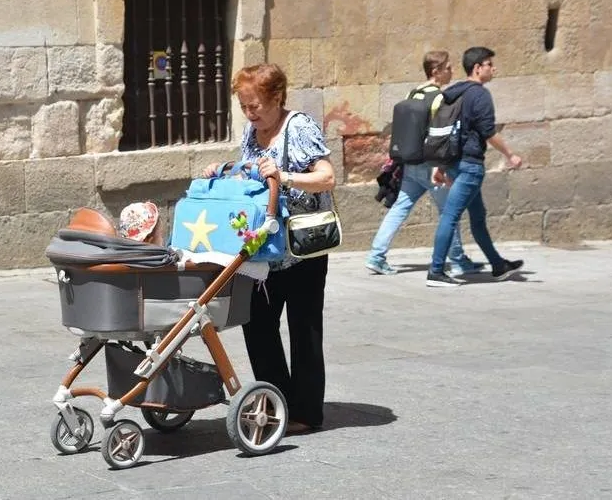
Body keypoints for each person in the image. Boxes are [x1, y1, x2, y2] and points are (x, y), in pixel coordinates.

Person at [202, 63, 335, 434]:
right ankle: (277, 403)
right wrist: (224, 169)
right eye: (244, 106)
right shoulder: (252, 130)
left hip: (301, 248)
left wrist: (285, 176)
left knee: (304, 328)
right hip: (263, 249)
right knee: (257, 326)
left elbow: (327, 177)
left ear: (277, 97)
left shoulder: (300, 127)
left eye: (256, 105)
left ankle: (307, 413)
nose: (250, 113)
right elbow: (250, 175)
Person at [365, 50, 484, 277]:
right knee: (450, 212)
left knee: (399, 209)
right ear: (436, 71)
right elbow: (442, 133)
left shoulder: (414, 92)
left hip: (411, 165)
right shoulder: (439, 98)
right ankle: (458, 260)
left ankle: (376, 256)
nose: (451, 71)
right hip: (431, 166)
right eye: (448, 68)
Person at [426, 47, 524, 287]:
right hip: (470, 165)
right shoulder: (479, 95)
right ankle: (436, 271)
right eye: (490, 64)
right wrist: (510, 154)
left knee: (478, 217)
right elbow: (488, 132)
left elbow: (446, 130)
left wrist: (441, 165)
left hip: (455, 163)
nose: (494, 69)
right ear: (477, 68)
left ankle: (498, 265)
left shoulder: (454, 92)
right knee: (450, 216)